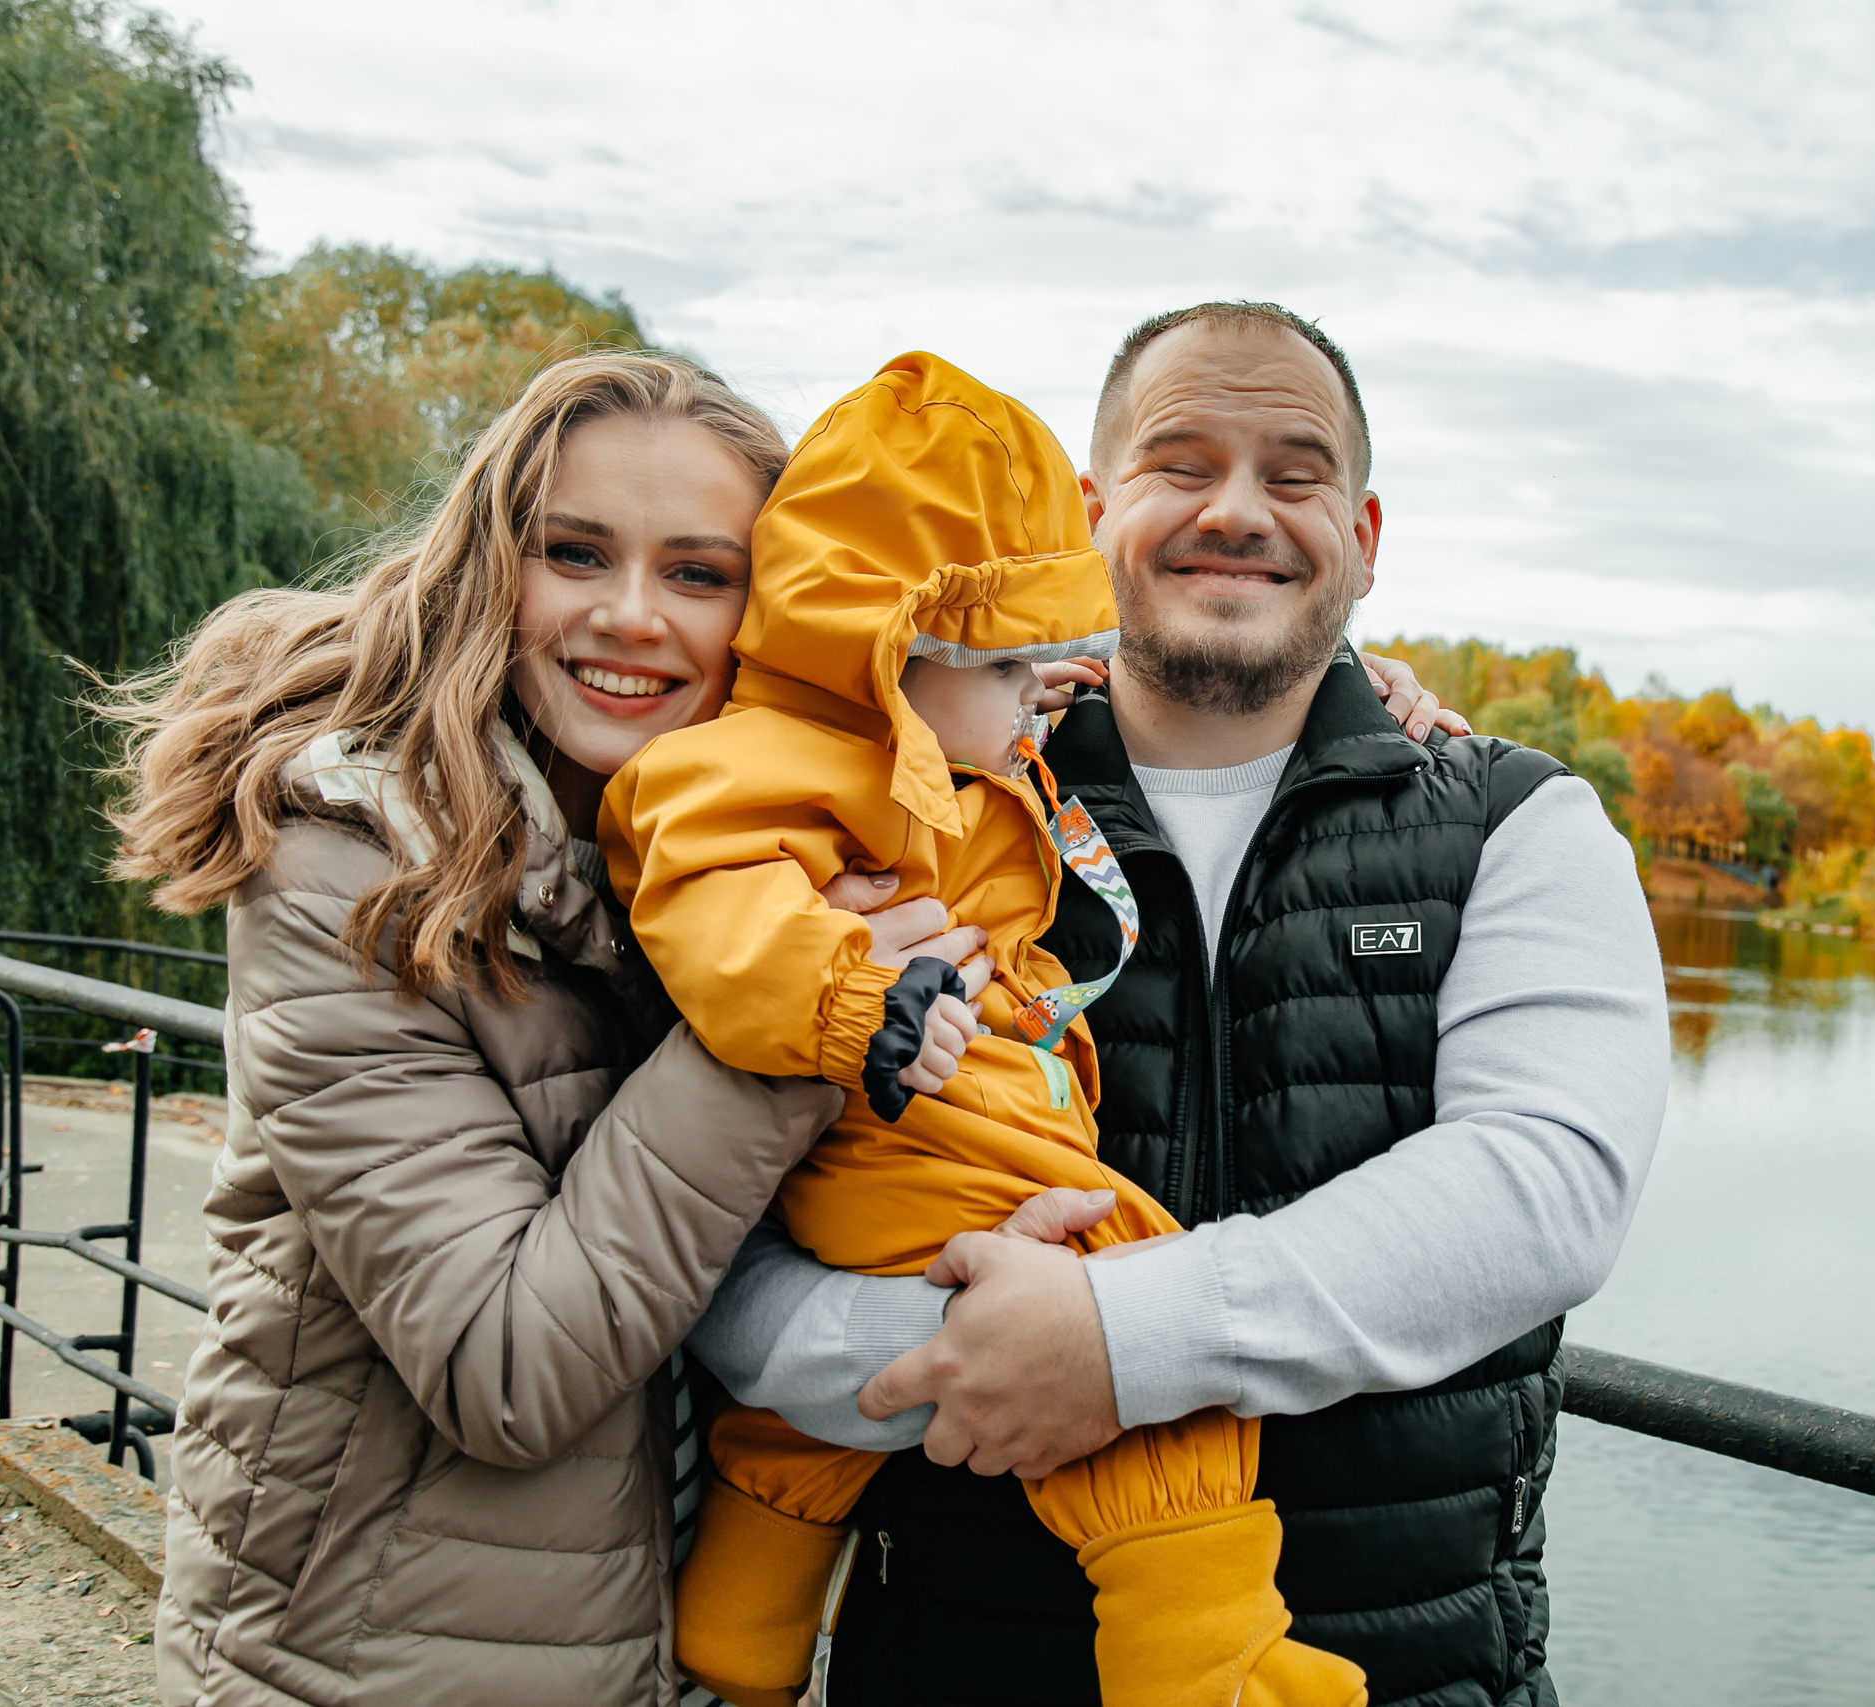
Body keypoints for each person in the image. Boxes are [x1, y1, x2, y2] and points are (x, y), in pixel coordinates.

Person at [691, 303, 1673, 1707]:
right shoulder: (903, 807)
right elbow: (709, 1231)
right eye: (1181, 461)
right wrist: (928, 1351)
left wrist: (1114, 1344)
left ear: (1366, 535)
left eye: (1294, 473)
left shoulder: (1522, 824)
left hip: (1399, 1675)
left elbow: (1544, 1189)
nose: (1237, 511)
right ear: (1093, 515)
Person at [99, 352, 943, 1707]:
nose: (631, 617)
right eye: (576, 553)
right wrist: (790, 1015)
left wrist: (1369, 722)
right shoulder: (349, 871)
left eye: (698, 573)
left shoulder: (725, 847)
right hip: (373, 1656)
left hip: (661, 1638)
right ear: (494, 566)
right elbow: (505, 1366)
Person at [604, 352, 1367, 1707]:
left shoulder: (945, 755)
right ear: (893, 646)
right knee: (1146, 1316)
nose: (1038, 695)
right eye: (1010, 662)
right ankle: (1199, 1655)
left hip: (905, 1139)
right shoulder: (750, 770)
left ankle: (745, 1611)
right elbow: (714, 909)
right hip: (922, 1133)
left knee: (801, 1429)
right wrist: (860, 999)